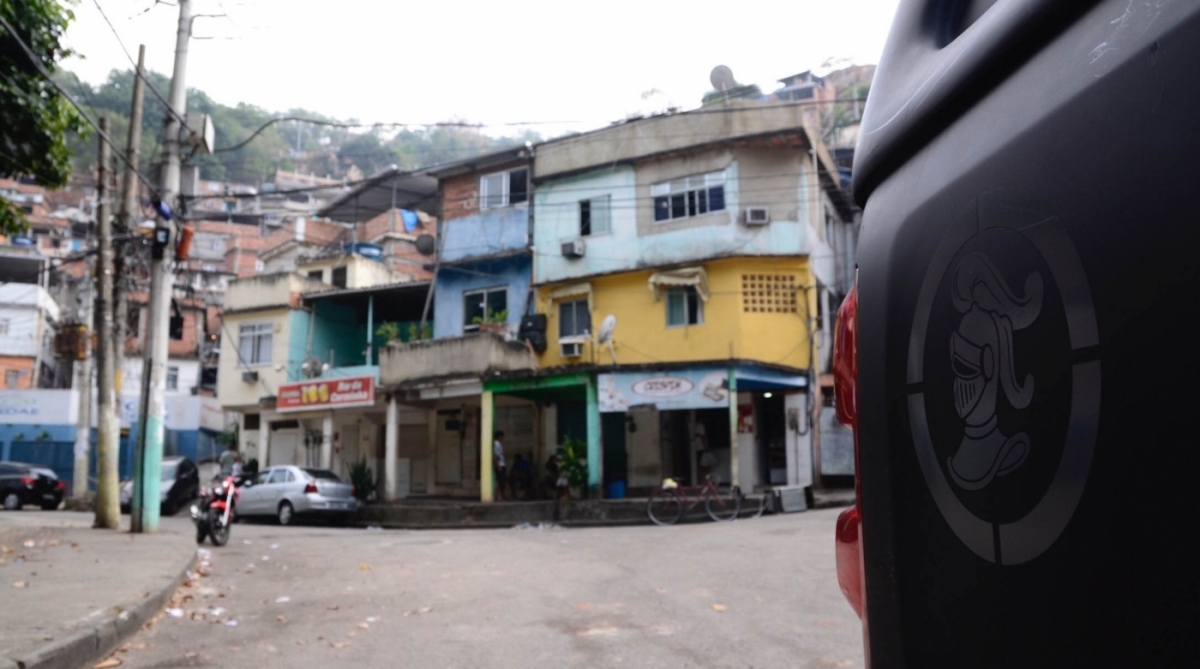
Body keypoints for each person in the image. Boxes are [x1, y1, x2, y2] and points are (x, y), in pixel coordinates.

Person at [493, 430, 506, 501]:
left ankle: (501, 496)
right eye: (502, 437)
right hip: (500, 465)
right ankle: (499, 496)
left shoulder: (499, 444)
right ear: (499, 436)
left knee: (502, 481)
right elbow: (496, 455)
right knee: (500, 481)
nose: (503, 438)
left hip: (502, 464)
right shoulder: (496, 444)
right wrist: (498, 465)